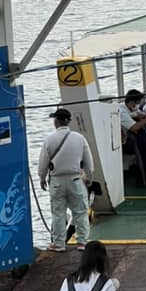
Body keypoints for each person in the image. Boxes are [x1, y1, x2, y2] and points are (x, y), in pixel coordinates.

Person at [39, 107, 94, 252]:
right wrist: (89, 177)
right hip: (75, 179)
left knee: (58, 213)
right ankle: (82, 242)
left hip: (56, 181)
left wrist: (42, 178)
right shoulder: (79, 138)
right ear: (68, 121)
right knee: (80, 211)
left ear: (56, 121)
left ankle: (59, 244)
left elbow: (43, 162)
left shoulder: (49, 139)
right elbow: (88, 161)